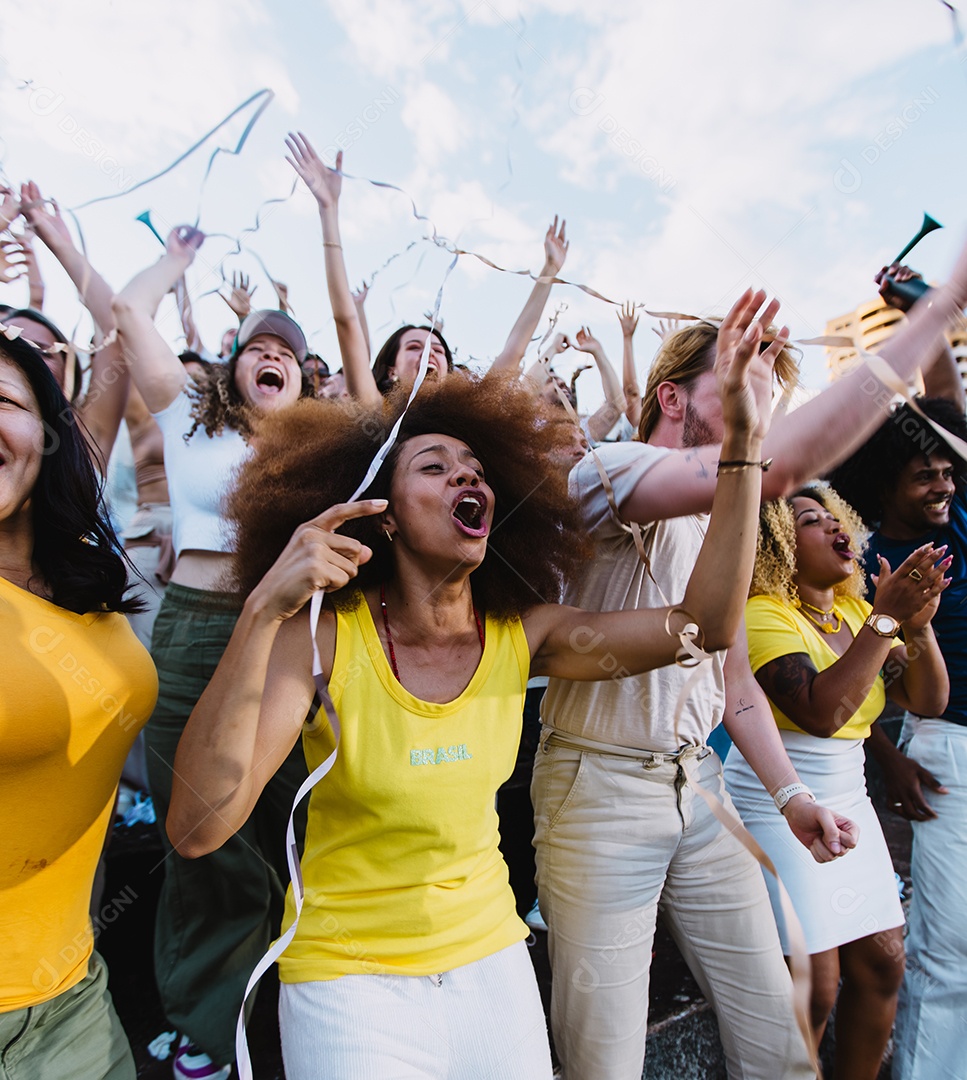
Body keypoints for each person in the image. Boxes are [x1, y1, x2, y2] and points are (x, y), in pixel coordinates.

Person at [165, 292, 780, 1080]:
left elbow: (704, 625)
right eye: (435, 467)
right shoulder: (320, 636)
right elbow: (195, 830)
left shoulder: (526, 636)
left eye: (478, 471)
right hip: (349, 975)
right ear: (381, 516)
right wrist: (258, 614)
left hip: (491, 957)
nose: (467, 478)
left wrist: (745, 451)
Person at [532, 234, 967, 1079]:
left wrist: (792, 794)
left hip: (696, 785)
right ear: (670, 394)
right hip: (597, 788)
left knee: (780, 1040)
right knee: (604, 1056)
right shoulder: (614, 467)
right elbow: (777, 467)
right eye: (746, 379)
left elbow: (729, 682)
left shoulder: (721, 516)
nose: (761, 403)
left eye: (771, 387)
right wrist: (939, 309)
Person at [111, 226, 315, 1080]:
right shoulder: (194, 427)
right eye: (256, 346)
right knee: (200, 836)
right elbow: (128, 310)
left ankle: (289, 1002)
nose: (271, 355)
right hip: (195, 629)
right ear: (232, 365)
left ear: (307, 379)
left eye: (288, 353)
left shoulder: (322, 450)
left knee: (281, 827)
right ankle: (206, 1020)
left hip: (289, 640)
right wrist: (180, 259)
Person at [724, 483, 948, 1079]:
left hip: (851, 797)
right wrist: (886, 620)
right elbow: (822, 714)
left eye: (834, 516)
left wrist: (917, 629)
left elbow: (928, 700)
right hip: (775, 800)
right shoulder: (760, 613)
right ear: (776, 542)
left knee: (882, 963)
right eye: (809, 521)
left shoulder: (854, 612)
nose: (832, 527)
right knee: (816, 985)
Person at [0, 332, 158, 1079]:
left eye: (1, 402)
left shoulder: (87, 582)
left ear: (49, 435)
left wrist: (262, 614)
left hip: (72, 997)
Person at [828, 394, 967, 1080]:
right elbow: (854, 694)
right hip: (945, 749)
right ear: (884, 484)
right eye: (923, 473)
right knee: (948, 945)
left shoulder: (961, 521)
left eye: (947, 469)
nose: (941, 483)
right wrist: (892, 758)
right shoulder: (862, 564)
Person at [284, 132, 571, 404]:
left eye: (437, 350)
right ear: (391, 370)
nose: (428, 355)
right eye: (414, 348)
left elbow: (514, 351)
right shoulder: (376, 414)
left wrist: (548, 271)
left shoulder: (470, 420)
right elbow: (346, 322)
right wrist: (328, 209)